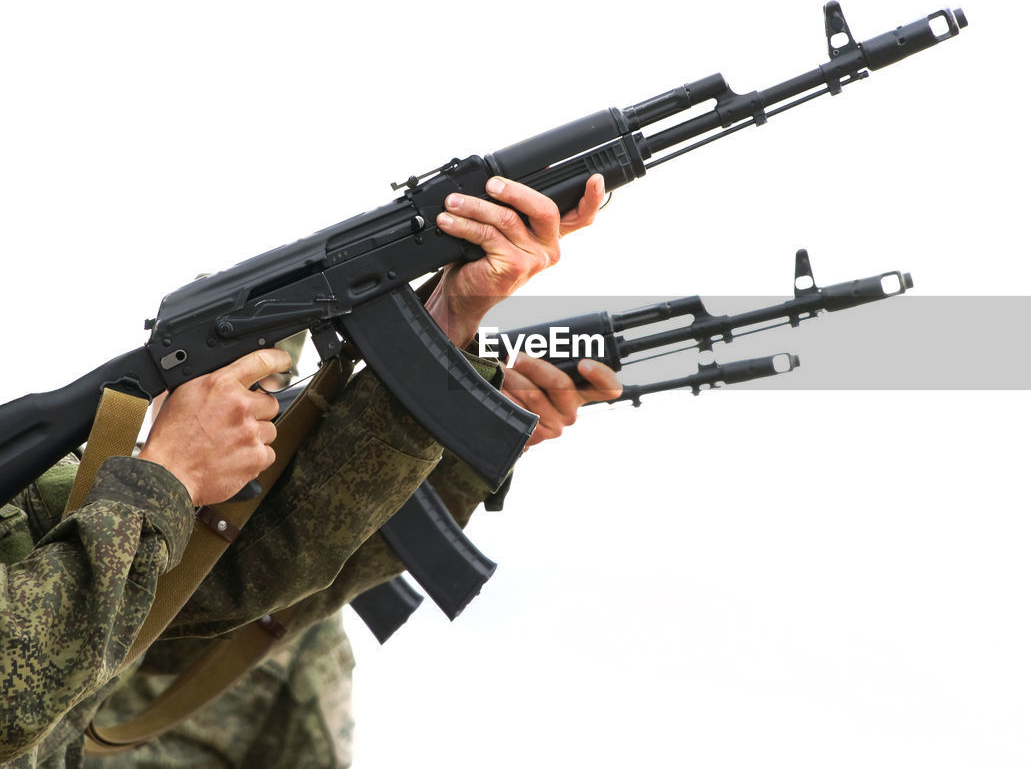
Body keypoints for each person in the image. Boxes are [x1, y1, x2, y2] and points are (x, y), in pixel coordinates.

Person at [0, 175, 606, 768]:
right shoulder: (123, 492)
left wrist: (448, 328)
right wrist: (170, 475)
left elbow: (239, 572)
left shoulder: (78, 498)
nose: (247, 412)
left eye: (271, 388)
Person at [85, 352, 622, 768]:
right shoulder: (88, 508)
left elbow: (312, 559)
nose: (238, 411)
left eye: (268, 387)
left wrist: (476, 432)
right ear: (164, 398)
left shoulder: (301, 622)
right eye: (213, 384)